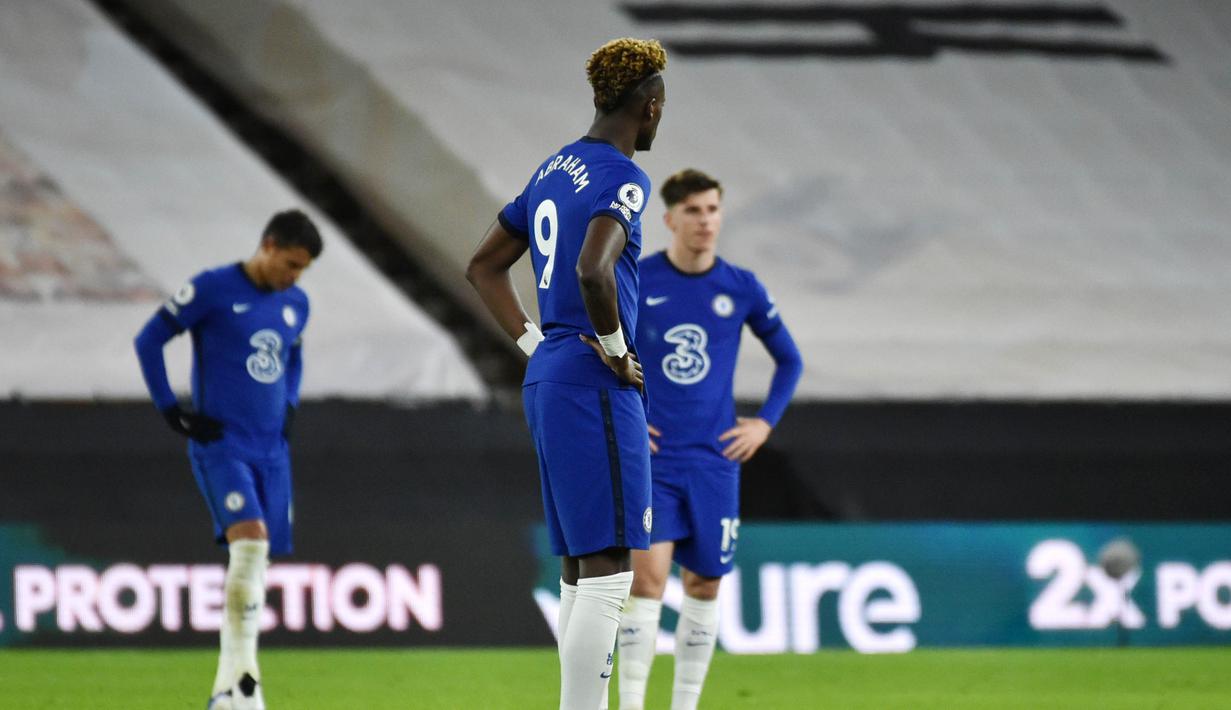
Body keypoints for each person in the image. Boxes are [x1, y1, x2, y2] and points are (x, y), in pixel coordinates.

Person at [466, 37, 667, 710]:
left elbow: (483, 266)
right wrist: (613, 347)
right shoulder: (623, 176)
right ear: (649, 105)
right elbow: (592, 267)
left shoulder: (553, 168)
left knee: (581, 569)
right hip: (591, 375)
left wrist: (532, 343)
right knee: (611, 566)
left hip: (551, 370)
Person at [618, 169, 803, 710]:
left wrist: (764, 422)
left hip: (715, 461)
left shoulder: (740, 287)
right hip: (654, 459)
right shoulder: (638, 279)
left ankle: (684, 705)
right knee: (646, 582)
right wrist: (629, 415)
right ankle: (631, 704)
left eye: (713, 210)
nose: (705, 221)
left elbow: (789, 359)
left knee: (704, 585)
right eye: (694, 211)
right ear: (670, 218)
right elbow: (604, 352)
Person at [133, 209, 322, 710]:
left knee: (258, 565)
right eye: (290, 263)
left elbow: (294, 357)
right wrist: (171, 410)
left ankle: (229, 689)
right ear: (267, 244)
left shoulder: (295, 303)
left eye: (302, 268)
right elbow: (149, 339)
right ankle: (244, 688)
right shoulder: (212, 288)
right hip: (224, 445)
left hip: (271, 451)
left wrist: (290, 406)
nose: (294, 276)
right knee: (251, 544)